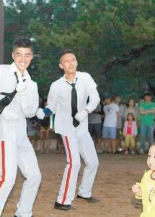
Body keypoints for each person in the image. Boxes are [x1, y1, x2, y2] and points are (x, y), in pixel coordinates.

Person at [0, 37, 40, 217]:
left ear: (32, 57)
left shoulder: (32, 84)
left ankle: (23, 213)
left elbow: (30, 112)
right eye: (19, 55)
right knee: (7, 178)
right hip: (4, 131)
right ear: (13, 55)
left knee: (34, 176)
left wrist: (24, 93)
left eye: (27, 55)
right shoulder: (0, 71)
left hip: (21, 133)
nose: (23, 59)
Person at [37, 49, 101, 211]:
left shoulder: (85, 78)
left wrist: (85, 111)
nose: (70, 63)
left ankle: (84, 192)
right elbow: (51, 107)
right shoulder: (56, 86)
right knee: (74, 163)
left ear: (77, 62)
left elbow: (95, 98)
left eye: (73, 59)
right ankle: (62, 201)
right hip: (66, 128)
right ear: (61, 65)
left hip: (82, 127)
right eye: (66, 61)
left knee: (93, 162)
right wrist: (42, 112)